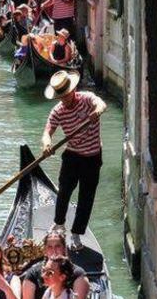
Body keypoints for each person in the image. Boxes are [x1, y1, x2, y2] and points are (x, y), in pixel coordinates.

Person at [41, 71, 108, 250]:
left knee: (86, 197)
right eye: (61, 97)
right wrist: (47, 144)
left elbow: (101, 103)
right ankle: (59, 224)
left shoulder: (87, 99)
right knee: (63, 191)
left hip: (92, 157)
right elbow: (48, 131)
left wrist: (97, 112)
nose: (64, 100)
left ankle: (77, 235)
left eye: (66, 95)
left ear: (73, 90)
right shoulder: (58, 110)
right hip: (72, 156)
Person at [20, 232, 91, 299]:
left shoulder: (78, 274)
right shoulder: (33, 274)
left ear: (64, 249)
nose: (54, 250)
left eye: (58, 246)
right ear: (45, 251)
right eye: (50, 247)